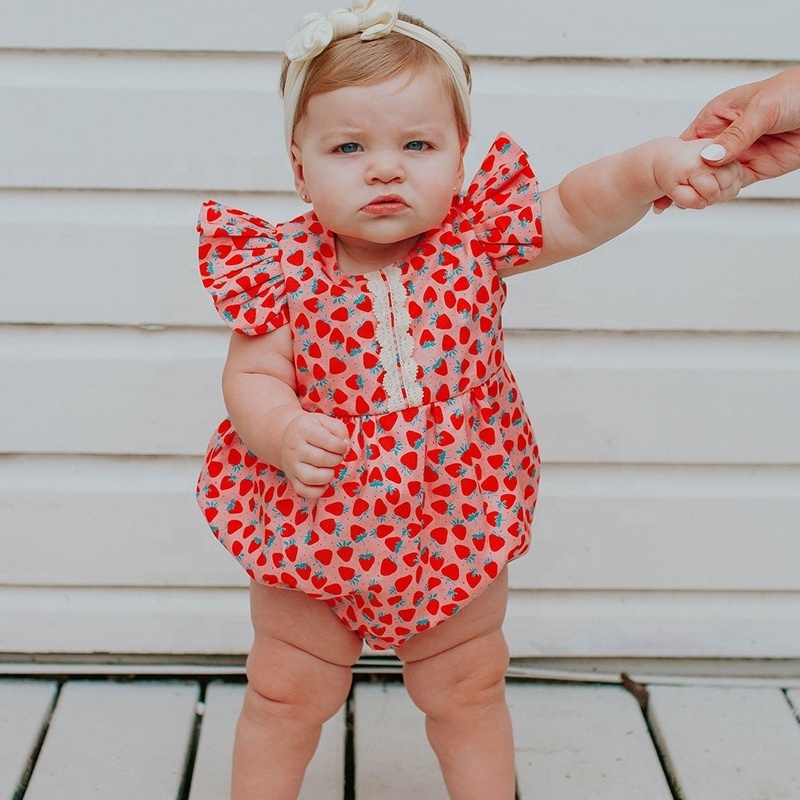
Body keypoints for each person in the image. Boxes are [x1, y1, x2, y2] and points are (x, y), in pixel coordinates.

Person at [196, 2, 743, 797]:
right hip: (313, 522)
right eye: (348, 147)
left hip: (456, 520)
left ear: (458, 159)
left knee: (468, 686)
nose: (385, 168)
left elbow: (579, 205)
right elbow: (250, 376)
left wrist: (653, 165)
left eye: (417, 144)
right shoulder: (280, 268)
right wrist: (281, 430)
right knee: (286, 689)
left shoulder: (474, 242)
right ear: (299, 165)